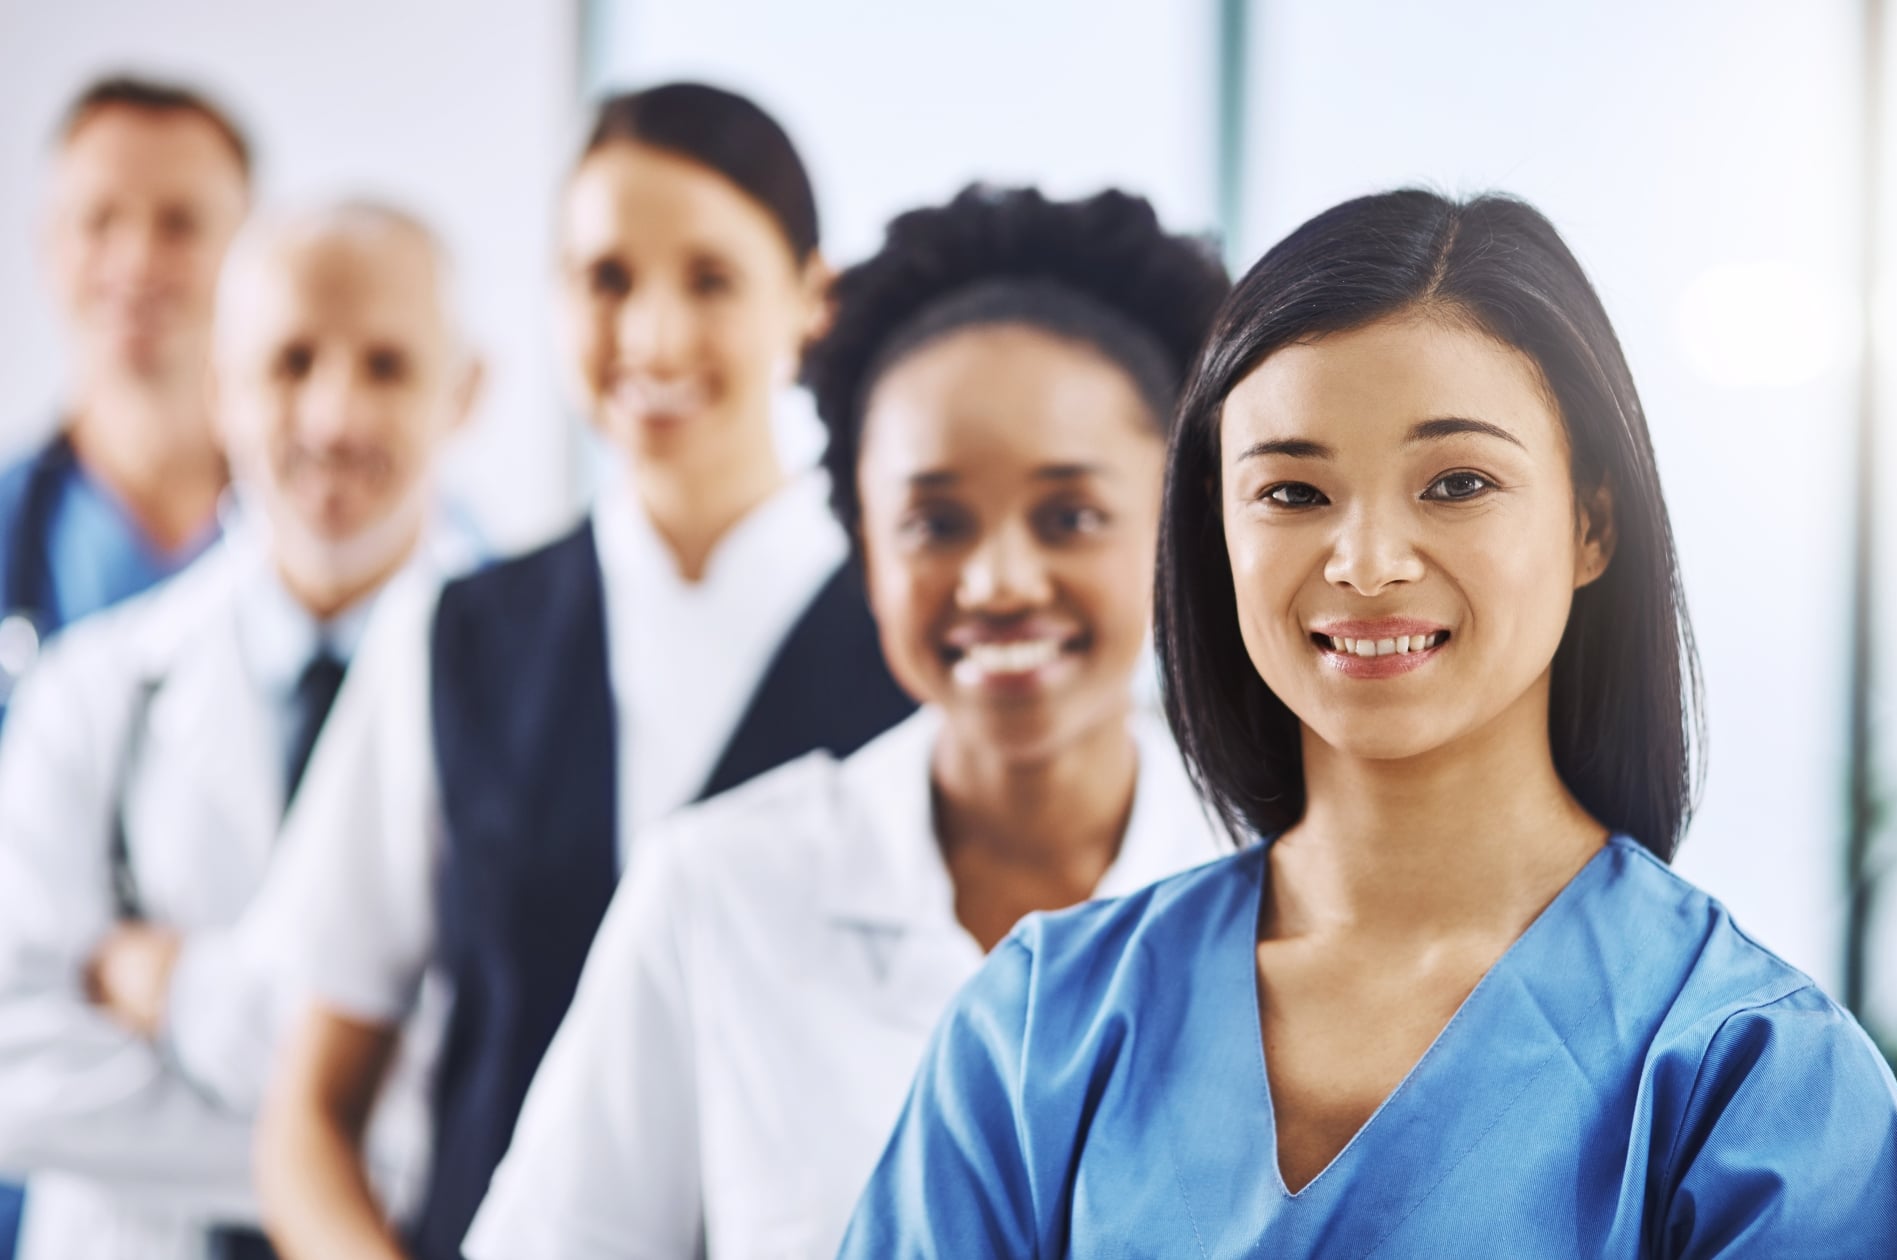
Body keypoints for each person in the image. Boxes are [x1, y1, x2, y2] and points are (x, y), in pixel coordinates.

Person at [840, 190, 1897, 1258]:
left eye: (1456, 483)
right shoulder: (1040, 1027)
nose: (1365, 562)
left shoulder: (1747, 1073)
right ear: (1210, 534)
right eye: (1291, 493)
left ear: (1589, 524)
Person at [464, 185, 1234, 1260]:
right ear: (863, 550)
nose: (1001, 579)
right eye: (934, 522)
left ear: (1173, 530)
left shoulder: (1279, 885)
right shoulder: (716, 889)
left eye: (1070, 516)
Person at [255, 83, 915, 1260]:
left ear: (809, 303)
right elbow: (306, 1115)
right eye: (606, 279)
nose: (651, 336)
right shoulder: (452, 637)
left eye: (709, 280)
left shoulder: (913, 644)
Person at [0, 201, 482, 1260]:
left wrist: (171, 989)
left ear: (466, 393)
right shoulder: (93, 690)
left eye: (389, 366)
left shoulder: (520, 698)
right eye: (290, 361)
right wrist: (345, 1125)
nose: (334, 416)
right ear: (219, 389)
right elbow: (12, 1070)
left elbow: (505, 1071)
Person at [0, 76, 252, 723]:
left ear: (253, 255)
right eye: (99, 220)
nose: (137, 260)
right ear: (49, 246)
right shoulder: (14, 526)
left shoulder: (369, 536)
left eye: (180, 223)